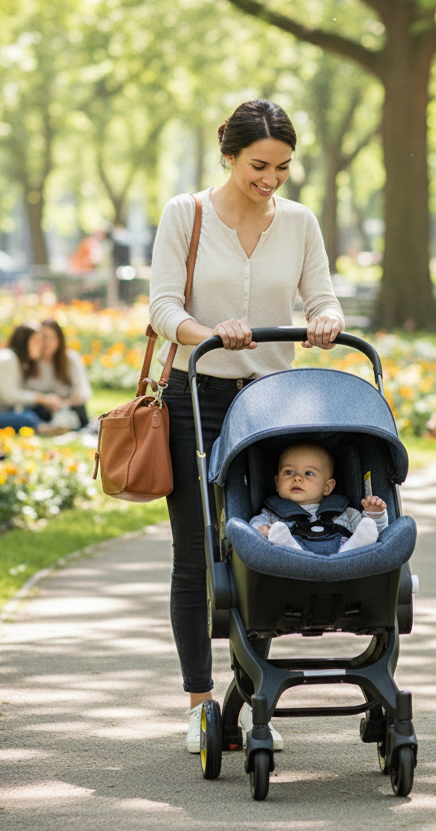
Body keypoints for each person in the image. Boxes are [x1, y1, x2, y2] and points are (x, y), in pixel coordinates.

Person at [147, 99, 345, 756]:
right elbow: (162, 306)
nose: (271, 178)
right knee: (196, 551)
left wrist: (324, 318)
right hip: (193, 395)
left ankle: (252, 692)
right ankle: (202, 704)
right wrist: (210, 333)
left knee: (259, 543)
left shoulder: (299, 222)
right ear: (228, 155)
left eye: (283, 166)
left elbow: (322, 293)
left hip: (268, 402)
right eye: (259, 165)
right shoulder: (187, 214)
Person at [250, 442, 388, 554]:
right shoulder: (270, 514)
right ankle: (290, 549)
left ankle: (354, 547)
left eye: (308, 473)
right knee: (278, 536)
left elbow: (374, 533)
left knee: (366, 529)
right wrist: (261, 530)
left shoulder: (346, 513)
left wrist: (375, 514)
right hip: (291, 568)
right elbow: (252, 530)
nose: (297, 478)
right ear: (277, 483)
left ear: (327, 487)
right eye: (289, 472)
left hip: (345, 563)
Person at [0, 323, 66, 434]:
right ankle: (43, 429)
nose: (40, 345)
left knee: (32, 412)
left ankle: (46, 426)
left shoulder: (17, 361)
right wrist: (42, 398)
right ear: (24, 341)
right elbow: (9, 396)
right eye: (36, 341)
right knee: (27, 418)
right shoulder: (7, 359)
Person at [26, 318, 93, 429]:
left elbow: (84, 391)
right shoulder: (31, 362)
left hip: (69, 407)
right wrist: (46, 401)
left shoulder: (70, 359)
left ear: (59, 340)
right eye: (42, 337)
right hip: (41, 410)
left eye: (50, 338)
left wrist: (67, 402)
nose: (46, 343)